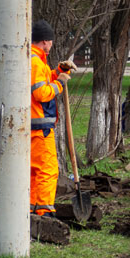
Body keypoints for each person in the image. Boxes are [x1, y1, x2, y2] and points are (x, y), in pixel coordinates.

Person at [29, 20, 75, 217]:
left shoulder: (33, 58)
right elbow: (40, 92)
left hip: (32, 125)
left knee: (34, 171)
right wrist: (60, 84)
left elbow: (45, 78)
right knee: (48, 170)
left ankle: (30, 209)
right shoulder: (35, 61)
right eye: (51, 42)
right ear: (46, 41)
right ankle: (44, 212)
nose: (52, 45)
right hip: (40, 127)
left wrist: (59, 71)